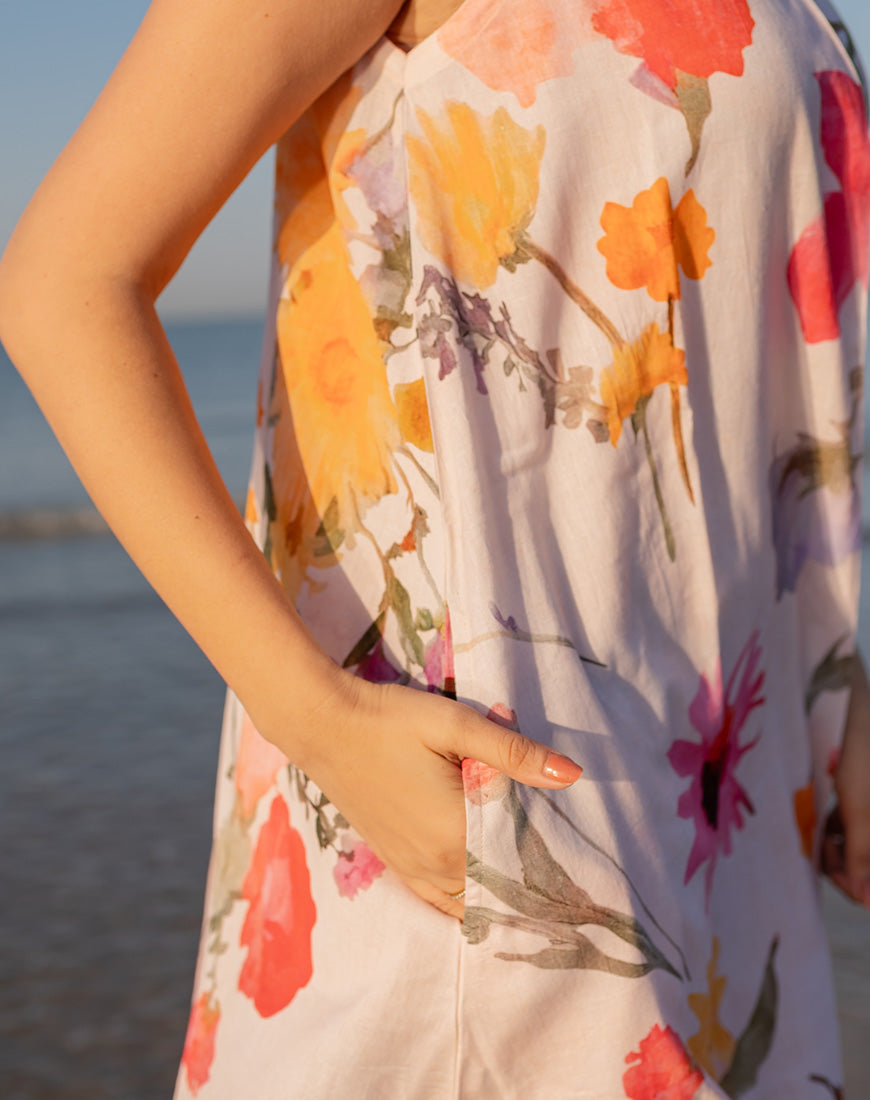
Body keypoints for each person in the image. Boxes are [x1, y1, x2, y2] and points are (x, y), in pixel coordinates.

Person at [1, 0, 869, 1096]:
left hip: (730, 840)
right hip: (478, 859)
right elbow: (65, 282)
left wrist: (837, 686)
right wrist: (322, 719)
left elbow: (760, 371)